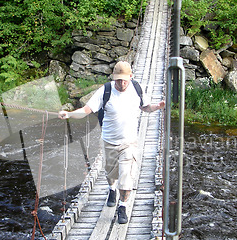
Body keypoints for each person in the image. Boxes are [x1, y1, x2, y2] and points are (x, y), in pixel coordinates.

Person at [58, 61, 165, 224]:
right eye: (118, 80)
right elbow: (86, 110)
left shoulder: (137, 89)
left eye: (125, 80)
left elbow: (145, 107)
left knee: (126, 177)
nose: (121, 83)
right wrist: (69, 114)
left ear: (131, 77)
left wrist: (157, 106)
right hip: (109, 141)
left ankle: (122, 207)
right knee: (111, 174)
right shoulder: (105, 91)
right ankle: (111, 189)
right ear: (114, 78)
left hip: (129, 142)